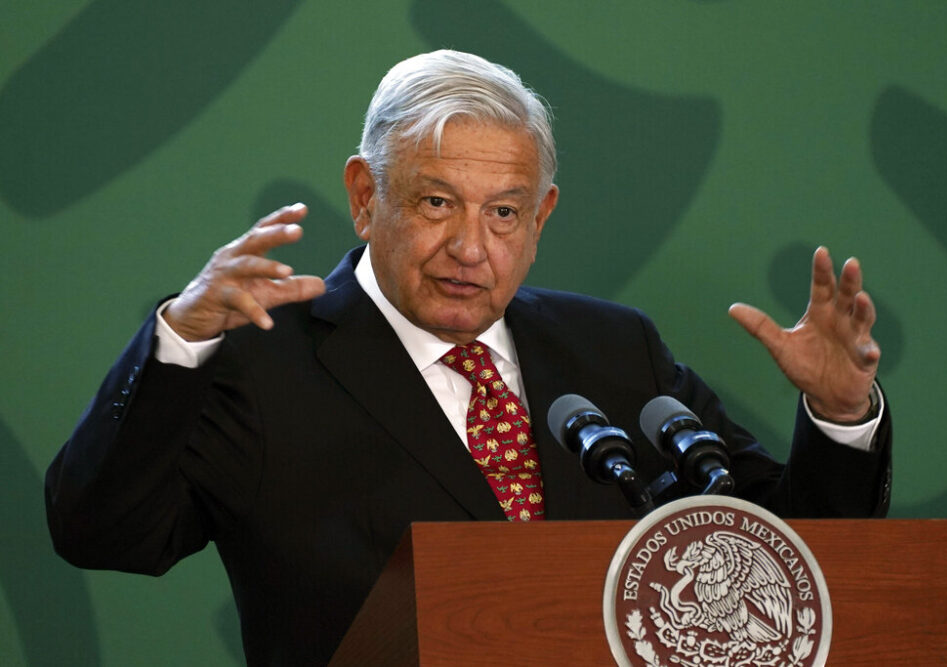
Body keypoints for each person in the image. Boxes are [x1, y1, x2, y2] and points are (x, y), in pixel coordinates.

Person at [45, 50, 890, 665]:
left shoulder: (611, 350)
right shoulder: (258, 362)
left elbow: (792, 568)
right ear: (366, 197)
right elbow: (103, 532)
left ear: (543, 216)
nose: (470, 248)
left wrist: (841, 416)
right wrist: (180, 344)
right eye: (438, 202)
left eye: (504, 214)